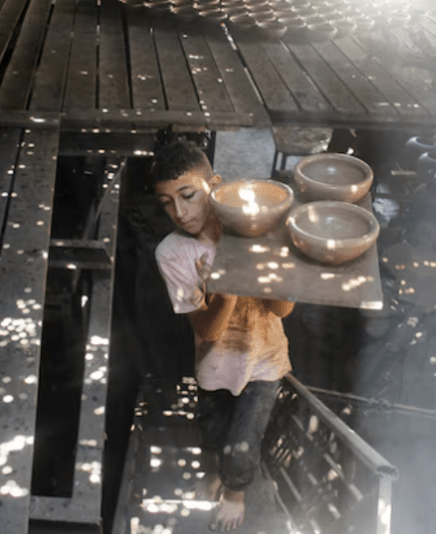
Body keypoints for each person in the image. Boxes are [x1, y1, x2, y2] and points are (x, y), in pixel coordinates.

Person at [151, 139, 295, 531]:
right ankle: (216, 472)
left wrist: (259, 263)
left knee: (241, 446)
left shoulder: (256, 230)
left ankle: (235, 492)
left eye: (187, 195)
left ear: (213, 184)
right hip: (213, 366)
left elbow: (282, 309)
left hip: (265, 362)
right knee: (213, 435)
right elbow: (209, 329)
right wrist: (229, 282)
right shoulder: (173, 253)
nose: (178, 212)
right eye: (166, 202)